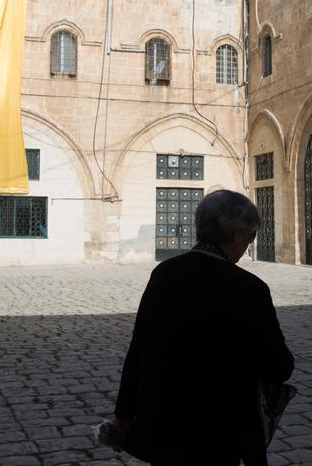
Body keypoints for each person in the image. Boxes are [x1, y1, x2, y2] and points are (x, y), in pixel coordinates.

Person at [108, 189, 295, 466]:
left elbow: (139, 349)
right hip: (221, 432)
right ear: (238, 235)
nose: (248, 245)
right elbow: (278, 366)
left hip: (166, 427)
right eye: (251, 236)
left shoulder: (164, 275)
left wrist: (124, 414)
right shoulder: (249, 288)